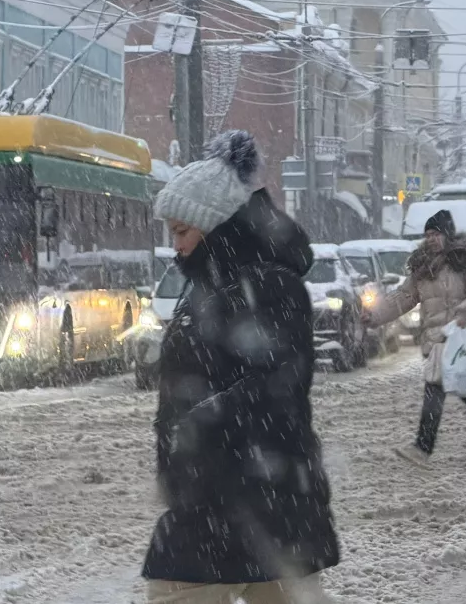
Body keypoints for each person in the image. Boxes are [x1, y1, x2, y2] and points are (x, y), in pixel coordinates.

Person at [142, 130, 340, 604]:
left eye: (182, 231)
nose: (177, 247)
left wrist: (197, 425)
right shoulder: (206, 289)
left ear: (213, 224)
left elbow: (278, 386)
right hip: (211, 500)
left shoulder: (272, 286)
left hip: (265, 498)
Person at [362, 209, 466, 468]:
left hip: (459, 338)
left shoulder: (465, 262)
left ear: (447, 234)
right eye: (428, 235)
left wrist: (464, 314)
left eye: (436, 234)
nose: (432, 239)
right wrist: (375, 315)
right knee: (459, 395)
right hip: (436, 339)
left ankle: (424, 449)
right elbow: (402, 297)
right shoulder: (423, 269)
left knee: (442, 393)